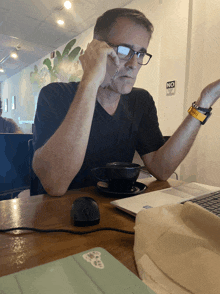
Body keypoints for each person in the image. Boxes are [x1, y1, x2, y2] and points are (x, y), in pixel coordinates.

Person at [32, 8, 220, 196]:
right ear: (96, 50)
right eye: (124, 50)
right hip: (57, 214)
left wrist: (205, 100)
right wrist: (90, 82)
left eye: (140, 54)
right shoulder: (55, 95)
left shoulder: (140, 101)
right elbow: (54, 184)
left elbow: (161, 169)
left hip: (114, 210)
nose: (133, 64)